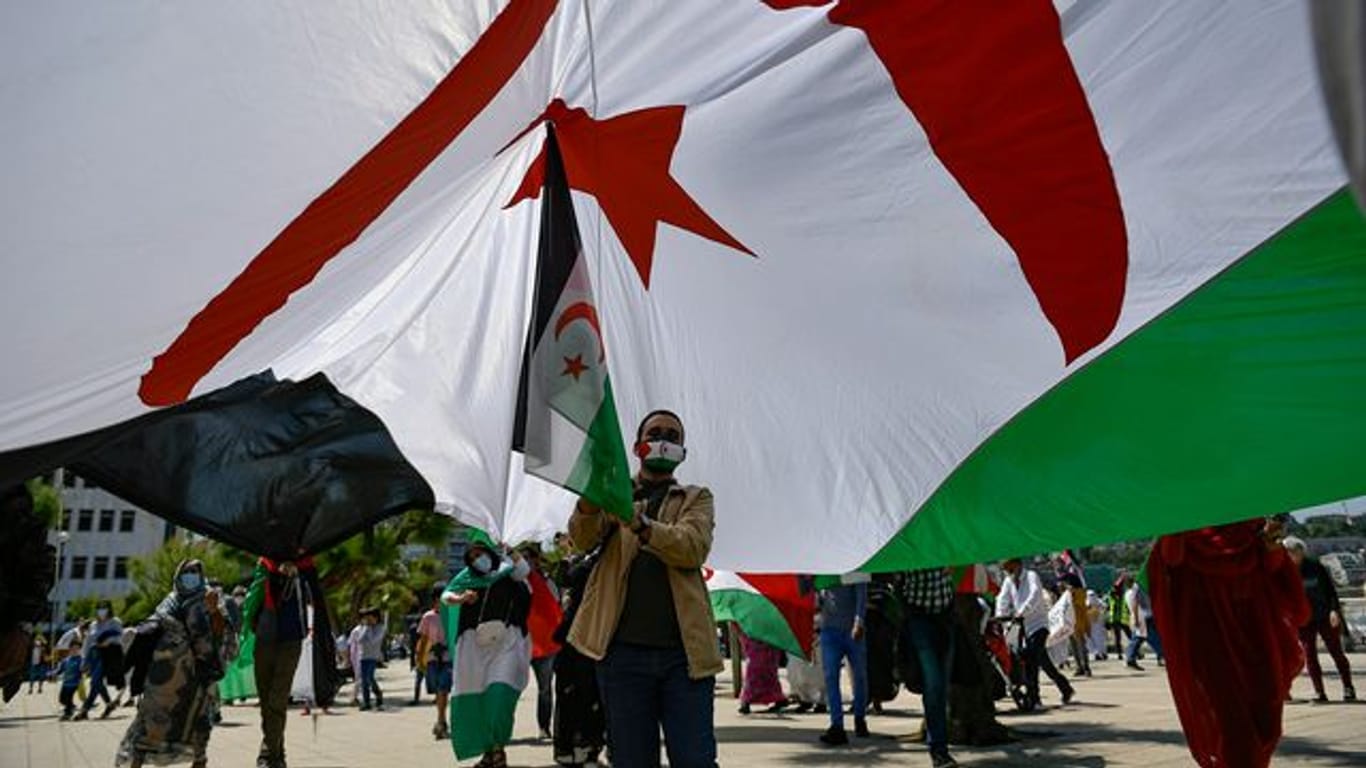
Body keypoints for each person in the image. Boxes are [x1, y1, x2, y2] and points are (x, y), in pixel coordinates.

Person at [567, 409, 722, 768]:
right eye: (656, 433)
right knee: (631, 759)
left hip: (685, 659)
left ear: (682, 451)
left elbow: (692, 547)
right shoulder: (613, 493)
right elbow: (580, 539)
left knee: (696, 760)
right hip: (621, 656)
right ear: (638, 445)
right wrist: (590, 499)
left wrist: (641, 524)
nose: (663, 440)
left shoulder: (696, 498)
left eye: (673, 435)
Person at [117, 559, 235, 768]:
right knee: (149, 725)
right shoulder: (169, 601)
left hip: (200, 675)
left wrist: (214, 611)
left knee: (198, 726)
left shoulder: (211, 598)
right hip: (165, 679)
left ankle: (199, 762)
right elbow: (152, 626)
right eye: (187, 572)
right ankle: (135, 762)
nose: (191, 576)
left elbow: (223, 633)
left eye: (195, 572)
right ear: (178, 576)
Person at [442, 540, 533, 768]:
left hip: (507, 643)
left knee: (500, 694)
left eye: (479, 554)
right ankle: (489, 752)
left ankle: (498, 746)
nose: (476, 560)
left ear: (490, 553)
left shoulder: (506, 570)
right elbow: (446, 596)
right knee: (479, 700)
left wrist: (511, 550)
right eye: (471, 557)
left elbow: (524, 571)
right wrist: (461, 599)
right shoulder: (465, 577)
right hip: (475, 647)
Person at [245, 557, 333, 768]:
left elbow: (315, 594)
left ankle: (268, 754)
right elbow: (254, 596)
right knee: (266, 700)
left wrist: (297, 574)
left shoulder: (305, 561)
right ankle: (277, 753)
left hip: (290, 639)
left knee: (277, 699)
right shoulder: (263, 561)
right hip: (264, 637)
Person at [551, 543, 607, 766]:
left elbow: (574, 577)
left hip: (591, 638)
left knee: (590, 697)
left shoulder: (599, 559)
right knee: (570, 697)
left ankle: (587, 747)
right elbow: (566, 579)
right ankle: (570, 747)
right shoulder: (579, 563)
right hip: (573, 642)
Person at [1283, 536, 1356, 702]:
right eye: (1287, 553)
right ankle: (1319, 692)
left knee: (1336, 652)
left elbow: (1331, 591)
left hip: (1324, 615)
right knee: (1310, 655)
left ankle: (1348, 687)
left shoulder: (1316, 567)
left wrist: (1334, 610)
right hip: (1304, 619)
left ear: (1301, 551)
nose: (1290, 556)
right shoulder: (1287, 572)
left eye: (1293, 552)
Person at [899, 567, 958, 768]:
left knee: (940, 687)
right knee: (933, 684)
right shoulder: (908, 546)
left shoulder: (944, 542)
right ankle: (939, 750)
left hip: (945, 617)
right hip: (919, 619)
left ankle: (940, 746)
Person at [997, 558, 1074, 708]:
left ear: (1018, 565)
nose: (1008, 573)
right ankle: (1065, 688)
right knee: (1043, 662)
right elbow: (1002, 598)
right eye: (1006, 570)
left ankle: (1034, 698)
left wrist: (1022, 612)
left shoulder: (1032, 576)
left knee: (1030, 659)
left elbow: (1034, 595)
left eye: (1010, 569)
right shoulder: (1008, 581)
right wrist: (1000, 615)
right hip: (1022, 628)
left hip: (1038, 625)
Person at [817, 576, 869, 745]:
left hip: (853, 632)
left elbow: (862, 593)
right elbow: (807, 590)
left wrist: (859, 621)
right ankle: (837, 725)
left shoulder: (853, 559)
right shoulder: (823, 566)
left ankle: (860, 716)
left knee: (859, 676)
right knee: (831, 676)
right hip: (829, 631)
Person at [521, 545, 563, 740]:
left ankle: (544, 727)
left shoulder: (548, 583)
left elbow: (556, 611)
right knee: (508, 687)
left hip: (545, 645)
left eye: (529, 557)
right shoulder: (514, 582)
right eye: (523, 557)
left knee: (545, 689)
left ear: (537, 560)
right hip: (520, 643)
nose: (526, 561)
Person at [76, 598, 124, 719]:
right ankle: (108, 704)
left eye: (104, 607)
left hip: (107, 654)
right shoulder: (93, 624)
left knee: (95, 681)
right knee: (97, 683)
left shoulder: (115, 621)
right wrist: (83, 659)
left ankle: (84, 709)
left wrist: (107, 641)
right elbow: (87, 642)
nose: (102, 610)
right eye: (99, 608)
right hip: (93, 655)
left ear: (109, 608)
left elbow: (119, 637)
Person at [416, 589, 452, 739]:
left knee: (443, 688)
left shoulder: (453, 615)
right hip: (432, 657)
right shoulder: (428, 617)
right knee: (438, 691)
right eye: (439, 600)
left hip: (448, 658)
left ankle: (441, 720)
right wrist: (419, 659)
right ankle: (441, 718)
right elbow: (423, 639)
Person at [737, 632, 788, 714]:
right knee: (766, 674)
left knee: (759, 674)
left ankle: (746, 701)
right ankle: (777, 698)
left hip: (761, 643)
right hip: (765, 643)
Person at [350, 608, 385, 711]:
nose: (369, 620)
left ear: (376, 618)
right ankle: (369, 701)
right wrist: (366, 628)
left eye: (371, 618)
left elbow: (373, 641)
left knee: (367, 679)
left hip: (373, 657)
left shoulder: (380, 628)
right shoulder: (363, 627)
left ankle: (373, 697)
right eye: (367, 618)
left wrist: (368, 630)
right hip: (362, 656)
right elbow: (359, 640)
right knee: (366, 679)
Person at [1125, 580, 1162, 669]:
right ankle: (1163, 655)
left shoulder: (1128, 593)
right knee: (1154, 638)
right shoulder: (1136, 589)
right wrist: (1137, 619)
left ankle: (1130, 658)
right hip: (1144, 617)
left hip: (1139, 617)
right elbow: (1135, 604)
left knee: (1138, 639)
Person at [1105, 578, 1131, 657]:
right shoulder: (1113, 595)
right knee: (1121, 637)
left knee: (1125, 636)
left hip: (1119, 619)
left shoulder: (1118, 595)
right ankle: (1120, 653)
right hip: (1117, 619)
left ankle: (1121, 653)